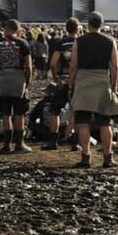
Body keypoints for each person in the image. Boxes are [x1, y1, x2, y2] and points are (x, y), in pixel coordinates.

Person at [69, 12, 118, 168]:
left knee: (83, 121)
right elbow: (115, 66)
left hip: (84, 81)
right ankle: (107, 157)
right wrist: (114, 86)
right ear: (101, 23)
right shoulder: (110, 41)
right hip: (102, 81)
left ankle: (86, 157)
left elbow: (73, 66)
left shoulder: (79, 41)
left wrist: (71, 86)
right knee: (105, 122)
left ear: (88, 24)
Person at [0, 20, 34, 153]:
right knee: (19, 113)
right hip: (18, 77)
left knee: (6, 113)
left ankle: (6, 144)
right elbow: (28, 65)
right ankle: (19, 144)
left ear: (6, 28)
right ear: (17, 30)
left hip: (4, 77)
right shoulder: (23, 43)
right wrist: (27, 82)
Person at [41, 19, 78, 150]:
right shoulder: (81, 42)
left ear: (66, 29)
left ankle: (53, 141)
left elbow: (53, 63)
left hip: (63, 80)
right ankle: (74, 141)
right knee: (76, 111)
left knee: (55, 110)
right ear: (77, 29)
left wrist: (56, 77)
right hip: (78, 81)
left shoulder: (61, 43)